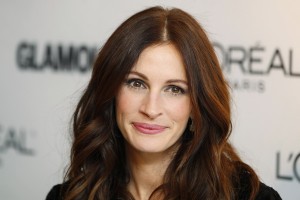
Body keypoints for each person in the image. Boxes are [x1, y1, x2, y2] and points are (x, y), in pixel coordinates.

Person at [46, 6, 281, 200]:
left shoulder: (249, 197)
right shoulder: (68, 196)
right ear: (111, 91)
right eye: (136, 83)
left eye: (174, 89)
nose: (151, 109)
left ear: (197, 105)